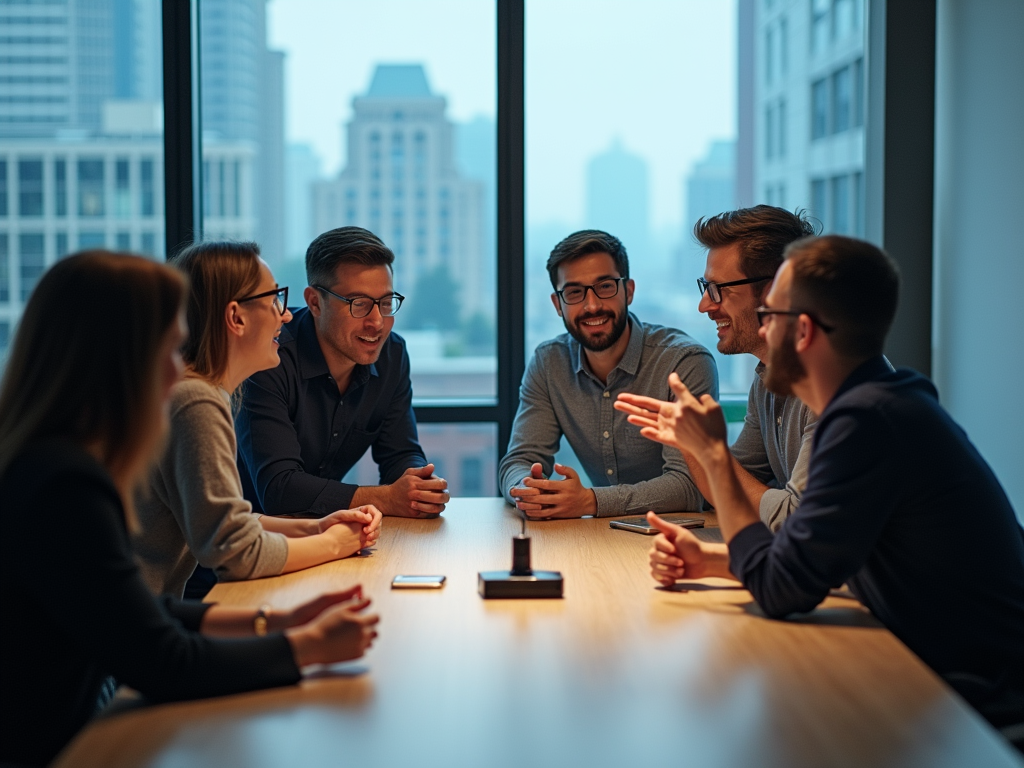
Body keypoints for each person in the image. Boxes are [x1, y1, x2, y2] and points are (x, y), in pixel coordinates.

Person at [619, 235, 1024, 728]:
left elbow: (782, 590)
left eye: (770, 316)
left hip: (974, 710)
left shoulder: (867, 421)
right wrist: (714, 559)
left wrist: (714, 456)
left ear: (803, 332)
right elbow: (815, 559)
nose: (763, 330)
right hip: (933, 679)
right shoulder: (880, 403)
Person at [0, 251, 379, 767]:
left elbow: (138, 609)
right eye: (171, 343)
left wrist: (277, 621)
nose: (179, 365)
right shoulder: (65, 486)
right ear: (120, 355)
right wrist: (305, 648)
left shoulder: (52, 464)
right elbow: (161, 659)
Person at [133, 241, 382, 599]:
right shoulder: (195, 401)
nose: (286, 315)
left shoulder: (195, 392)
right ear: (236, 317)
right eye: (274, 300)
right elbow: (234, 551)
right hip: (121, 639)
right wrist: (334, 544)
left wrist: (316, 528)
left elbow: (228, 523)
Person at [498, 230, 718, 519]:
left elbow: (689, 486)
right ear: (557, 304)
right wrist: (527, 490)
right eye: (574, 292)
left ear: (628, 291)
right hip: (603, 538)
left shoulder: (684, 362)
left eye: (605, 286)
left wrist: (590, 501)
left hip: (685, 536)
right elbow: (519, 460)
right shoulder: (548, 362)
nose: (591, 306)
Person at [236, 227, 449, 519]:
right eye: (359, 304)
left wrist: (417, 485)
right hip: (247, 546)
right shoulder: (269, 357)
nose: (377, 322)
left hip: (325, 534)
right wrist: (386, 498)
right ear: (314, 302)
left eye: (386, 304)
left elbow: (399, 452)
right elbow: (279, 489)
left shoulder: (391, 354)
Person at [672, 206, 819, 530]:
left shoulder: (834, 390)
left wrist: (710, 451)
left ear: (773, 292)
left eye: (718, 289)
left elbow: (794, 519)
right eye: (704, 287)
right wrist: (690, 442)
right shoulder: (766, 379)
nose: (705, 305)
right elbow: (725, 493)